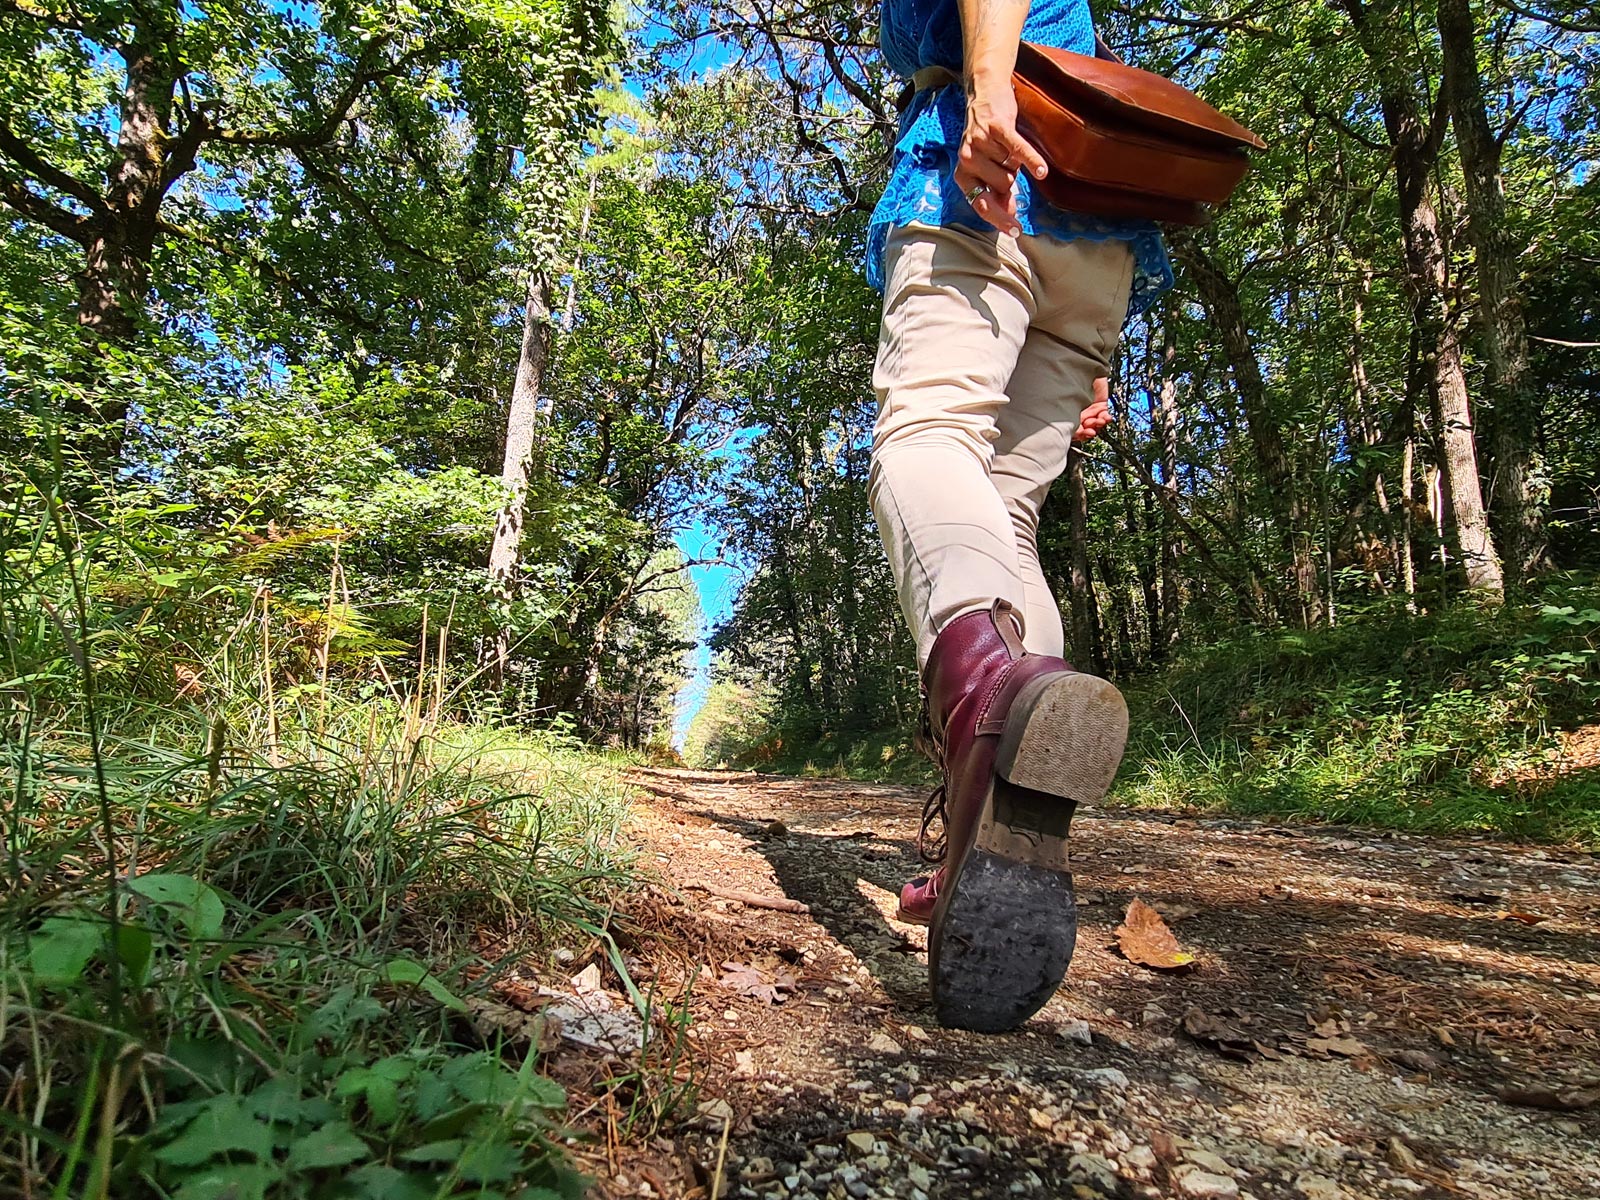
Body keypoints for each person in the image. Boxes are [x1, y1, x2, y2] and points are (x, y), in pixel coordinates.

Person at [868, 0, 1173, 1032]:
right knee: (1004, 519)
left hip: (985, 173)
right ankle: (975, 844)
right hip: (1097, 237)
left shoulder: (984, 100)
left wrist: (988, 92)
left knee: (924, 439)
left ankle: (984, 701)